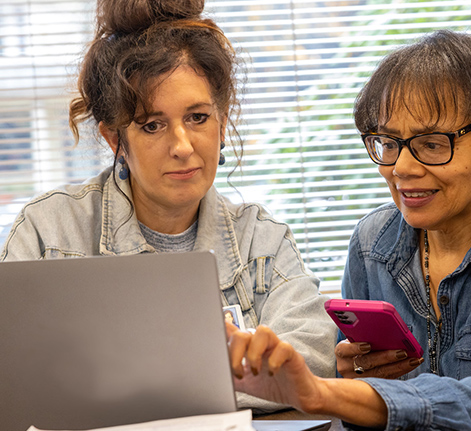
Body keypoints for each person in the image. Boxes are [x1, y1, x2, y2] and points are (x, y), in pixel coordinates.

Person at [226, 30, 471, 429]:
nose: (401, 168)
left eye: (432, 144)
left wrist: (327, 393)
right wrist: (355, 384)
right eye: (388, 142)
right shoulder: (373, 243)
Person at [0, 0, 337, 412]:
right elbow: (13, 379)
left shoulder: (262, 242)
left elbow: (312, 363)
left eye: (197, 117)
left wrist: (119, 392)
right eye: (152, 125)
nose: (182, 146)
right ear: (115, 141)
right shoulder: (48, 232)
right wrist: (231, 386)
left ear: (222, 119)